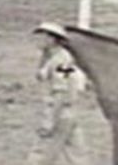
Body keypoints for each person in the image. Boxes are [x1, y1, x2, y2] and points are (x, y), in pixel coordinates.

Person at [28, 23, 88, 165]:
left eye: (42, 36)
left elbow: (61, 92)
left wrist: (50, 120)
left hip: (59, 112)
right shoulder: (55, 58)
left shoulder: (60, 61)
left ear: (52, 39)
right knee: (77, 156)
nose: (38, 40)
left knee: (41, 155)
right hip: (69, 113)